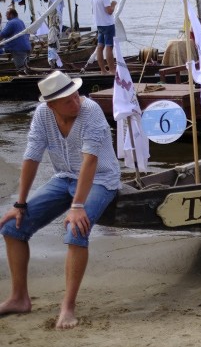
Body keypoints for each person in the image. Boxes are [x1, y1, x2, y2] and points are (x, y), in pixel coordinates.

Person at [0, 70, 120, 329]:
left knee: (76, 229)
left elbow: (91, 161)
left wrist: (77, 206)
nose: (75, 102)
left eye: (76, 95)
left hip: (100, 179)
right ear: (51, 105)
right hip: (63, 177)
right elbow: (31, 156)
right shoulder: (42, 115)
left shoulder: (91, 110)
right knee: (12, 228)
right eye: (67, 101)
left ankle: (68, 306)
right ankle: (19, 297)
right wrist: (20, 203)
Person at [91, 0, 117, 74]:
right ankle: (112, 70)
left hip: (99, 24)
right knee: (109, 47)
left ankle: (103, 70)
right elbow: (109, 11)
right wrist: (113, 5)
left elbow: (94, 11)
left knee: (100, 46)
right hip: (107, 24)